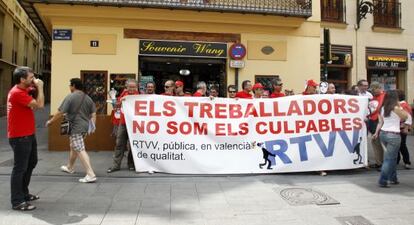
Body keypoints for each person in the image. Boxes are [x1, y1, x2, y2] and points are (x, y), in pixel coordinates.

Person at [46, 78, 97, 183]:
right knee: (74, 146)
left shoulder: (70, 97)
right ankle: (70, 167)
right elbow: (93, 114)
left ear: (73, 86)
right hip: (84, 127)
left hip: (76, 127)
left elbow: (60, 112)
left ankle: (90, 173)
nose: (69, 87)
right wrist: (93, 127)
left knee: (80, 149)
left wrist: (51, 121)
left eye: (70, 85)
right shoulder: (88, 98)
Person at [8, 67, 44, 211]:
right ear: (22, 80)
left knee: (31, 163)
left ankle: (23, 193)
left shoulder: (23, 90)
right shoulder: (17, 93)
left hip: (28, 134)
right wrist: (40, 87)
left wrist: (34, 85)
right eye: (31, 77)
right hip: (20, 137)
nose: (33, 79)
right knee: (20, 168)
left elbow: (33, 97)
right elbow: (40, 105)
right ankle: (17, 201)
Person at [373, 90, 408, 187]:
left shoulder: (382, 108)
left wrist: (376, 133)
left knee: (392, 157)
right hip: (394, 135)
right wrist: (400, 106)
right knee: (389, 159)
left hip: (383, 134)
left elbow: (380, 122)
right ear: (395, 98)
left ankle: (393, 178)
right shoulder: (396, 108)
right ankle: (383, 180)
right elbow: (405, 116)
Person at [107, 79, 139, 173]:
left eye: (133, 87)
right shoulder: (124, 94)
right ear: (126, 87)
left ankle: (131, 164)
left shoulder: (139, 96)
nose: (132, 89)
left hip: (134, 124)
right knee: (119, 144)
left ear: (136, 87)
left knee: (133, 145)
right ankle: (116, 165)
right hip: (123, 123)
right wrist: (119, 100)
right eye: (130, 87)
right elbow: (116, 106)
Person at [368, 82, 385, 169]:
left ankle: (381, 163)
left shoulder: (385, 97)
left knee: (379, 143)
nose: (373, 92)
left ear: (378, 88)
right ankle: (379, 162)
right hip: (372, 121)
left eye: (374, 90)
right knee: (375, 143)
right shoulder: (374, 97)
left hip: (379, 122)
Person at [396, 90, 412, 169]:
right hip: (399, 127)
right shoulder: (403, 104)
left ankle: (407, 161)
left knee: (402, 145)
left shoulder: (404, 105)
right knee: (399, 145)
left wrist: (406, 127)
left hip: (402, 127)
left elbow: (408, 117)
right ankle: (399, 160)